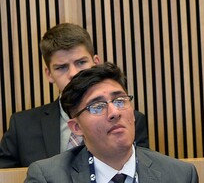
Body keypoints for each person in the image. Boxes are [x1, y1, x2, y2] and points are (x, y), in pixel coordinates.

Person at [15, 63, 204, 183]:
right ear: (76, 127)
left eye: (120, 100)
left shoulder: (179, 177)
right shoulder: (48, 180)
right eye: (97, 106)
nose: (115, 112)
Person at [0, 23, 149, 168]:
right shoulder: (22, 126)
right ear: (49, 74)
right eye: (61, 67)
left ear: (95, 63)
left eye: (81, 62)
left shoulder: (127, 121)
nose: (73, 73)